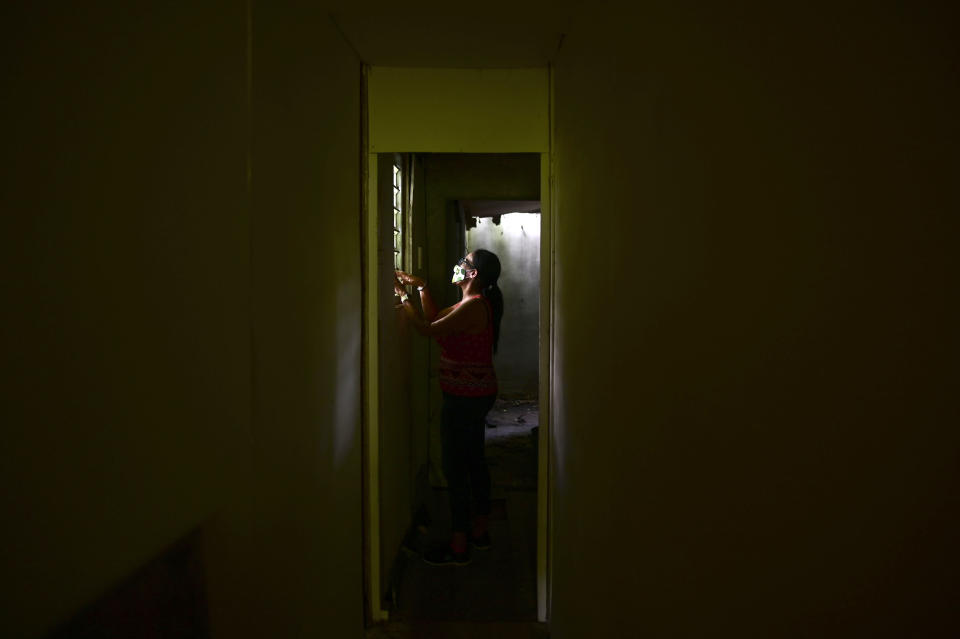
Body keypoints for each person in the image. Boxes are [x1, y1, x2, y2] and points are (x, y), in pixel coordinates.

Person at [394, 249, 504, 566]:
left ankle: (458, 546)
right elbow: (436, 319)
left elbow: (428, 330)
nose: (456, 265)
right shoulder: (468, 305)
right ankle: (479, 533)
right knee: (472, 461)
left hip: (465, 400)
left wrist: (403, 298)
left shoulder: (473, 307)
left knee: (457, 468)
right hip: (471, 396)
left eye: (463, 263)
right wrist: (423, 286)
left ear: (472, 275)